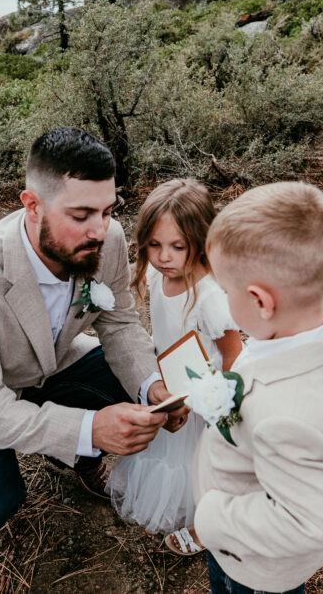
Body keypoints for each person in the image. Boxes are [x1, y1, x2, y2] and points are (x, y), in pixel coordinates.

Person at [0, 127, 191, 537]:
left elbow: (118, 322)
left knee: (145, 386)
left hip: (54, 361)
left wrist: (151, 386)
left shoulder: (108, 239)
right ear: (32, 206)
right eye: (80, 216)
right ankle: (65, 447)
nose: (99, 230)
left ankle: (77, 460)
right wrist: (90, 428)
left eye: (108, 211)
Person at [192, 182, 323, 594]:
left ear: (261, 301)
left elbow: (310, 527)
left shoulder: (284, 414)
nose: (223, 300)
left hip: (253, 562)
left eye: (226, 291)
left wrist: (211, 516)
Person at [106, 178, 242, 555]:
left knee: (205, 468)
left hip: (206, 401)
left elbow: (233, 357)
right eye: (154, 245)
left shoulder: (211, 298)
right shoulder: (156, 276)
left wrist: (223, 409)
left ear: (201, 242)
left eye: (177, 247)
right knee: (168, 456)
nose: (164, 256)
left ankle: (206, 527)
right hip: (171, 389)